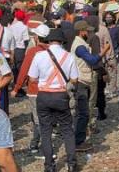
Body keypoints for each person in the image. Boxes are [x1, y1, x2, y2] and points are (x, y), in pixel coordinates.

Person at [28, 28, 79, 172]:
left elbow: (32, 78)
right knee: (67, 130)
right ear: (62, 41)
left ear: (48, 40)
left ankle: (49, 166)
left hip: (43, 95)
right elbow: (74, 79)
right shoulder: (68, 56)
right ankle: (72, 164)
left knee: (45, 131)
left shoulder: (39, 55)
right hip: (61, 96)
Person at [11, 23, 50, 154]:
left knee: (38, 118)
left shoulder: (33, 52)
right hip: (50, 89)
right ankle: (42, 141)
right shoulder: (54, 51)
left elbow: (24, 70)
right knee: (44, 116)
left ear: (36, 38)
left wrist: (17, 87)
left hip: (34, 90)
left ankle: (38, 144)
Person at [71, 21, 110, 151]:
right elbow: (92, 60)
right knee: (83, 113)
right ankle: (78, 141)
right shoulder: (79, 46)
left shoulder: (81, 44)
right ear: (81, 32)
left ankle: (78, 138)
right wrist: (104, 51)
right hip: (81, 81)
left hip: (82, 79)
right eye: (87, 31)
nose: (89, 33)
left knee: (81, 112)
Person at [10, 9, 29, 90]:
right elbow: (26, 40)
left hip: (13, 48)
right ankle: (19, 86)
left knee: (14, 67)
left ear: (16, 17)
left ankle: (14, 83)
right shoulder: (24, 27)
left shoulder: (11, 26)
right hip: (21, 49)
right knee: (20, 68)